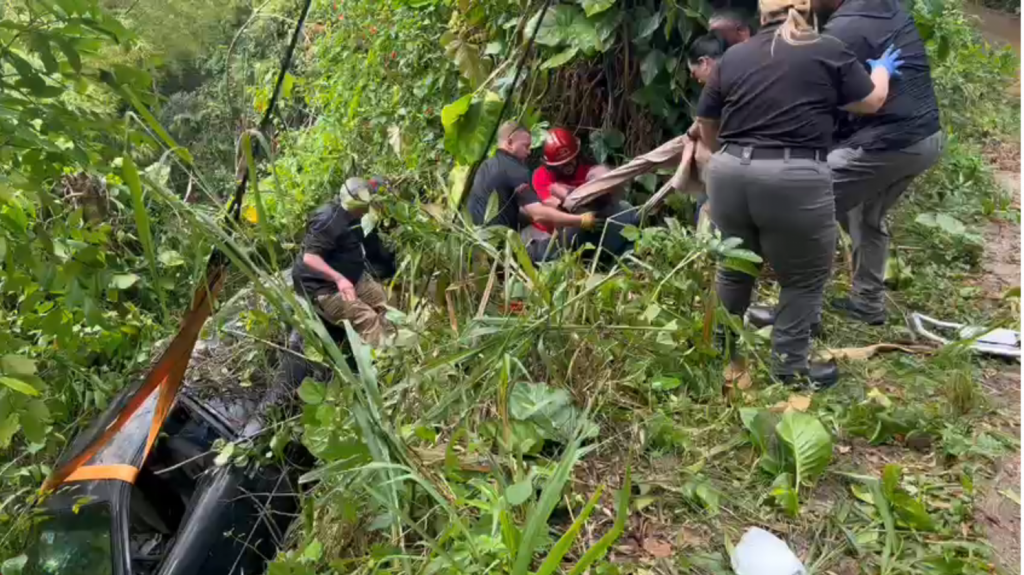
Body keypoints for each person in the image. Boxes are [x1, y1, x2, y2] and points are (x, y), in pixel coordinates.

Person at [695, 0, 902, 388]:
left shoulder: (735, 55)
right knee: (804, 278)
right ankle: (789, 368)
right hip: (794, 175)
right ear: (809, 10)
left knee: (735, 267)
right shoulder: (827, 49)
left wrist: (725, 150)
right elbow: (870, 101)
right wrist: (881, 71)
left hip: (729, 172)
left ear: (761, 14)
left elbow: (706, 121)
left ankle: (717, 352)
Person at [814, 0, 944, 326]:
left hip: (891, 141)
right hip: (926, 138)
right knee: (864, 213)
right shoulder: (887, 8)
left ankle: (801, 314)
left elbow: (820, 100)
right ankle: (868, 304)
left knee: (810, 204)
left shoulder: (842, 29)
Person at [466, 122, 599, 261]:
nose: (529, 152)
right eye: (526, 146)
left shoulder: (486, 165)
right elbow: (538, 214)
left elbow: (523, 211)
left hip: (478, 243)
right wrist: (579, 220)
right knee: (566, 248)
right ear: (510, 142)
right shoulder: (514, 169)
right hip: (500, 252)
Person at [292, 178, 396, 346]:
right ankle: (387, 358)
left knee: (385, 303)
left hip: (353, 277)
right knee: (367, 319)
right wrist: (338, 279)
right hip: (324, 287)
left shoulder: (358, 216)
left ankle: (397, 342)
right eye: (361, 208)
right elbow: (310, 258)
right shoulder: (327, 220)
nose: (363, 211)